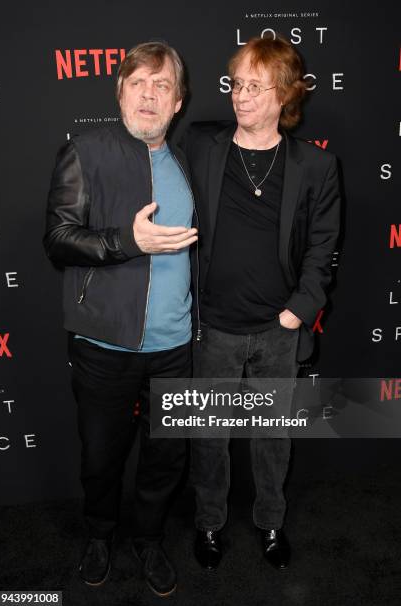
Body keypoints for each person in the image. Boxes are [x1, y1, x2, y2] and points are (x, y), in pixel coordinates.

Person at [43, 41, 198, 597]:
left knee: (166, 455)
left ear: (178, 102)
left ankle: (150, 539)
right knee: (101, 455)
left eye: (162, 86)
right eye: (139, 83)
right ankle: (100, 534)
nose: (149, 95)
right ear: (120, 91)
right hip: (104, 345)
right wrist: (124, 241)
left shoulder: (187, 163)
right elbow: (58, 239)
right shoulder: (84, 152)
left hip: (177, 347)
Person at [181, 35, 340, 571]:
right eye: (237, 84)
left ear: (285, 96)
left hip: (279, 329)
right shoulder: (204, 147)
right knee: (208, 437)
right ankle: (208, 524)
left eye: (255, 86)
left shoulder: (315, 168)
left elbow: (323, 247)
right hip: (215, 327)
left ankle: (270, 522)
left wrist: (299, 308)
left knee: (272, 438)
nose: (241, 96)